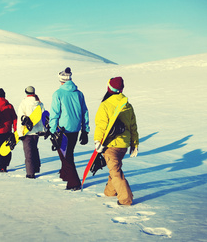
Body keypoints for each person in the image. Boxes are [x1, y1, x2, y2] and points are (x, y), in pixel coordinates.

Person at [94, 77, 139, 205]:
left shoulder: (105, 105)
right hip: (123, 145)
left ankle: (126, 199)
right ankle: (110, 191)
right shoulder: (127, 105)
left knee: (115, 171)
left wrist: (97, 141)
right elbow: (133, 127)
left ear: (109, 88)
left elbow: (101, 125)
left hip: (111, 144)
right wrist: (134, 144)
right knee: (114, 167)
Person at [49, 67, 90, 190]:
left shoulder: (58, 93)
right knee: (68, 153)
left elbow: (55, 113)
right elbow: (84, 112)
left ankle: (74, 182)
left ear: (61, 80)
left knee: (66, 157)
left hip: (63, 129)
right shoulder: (79, 93)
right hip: (76, 129)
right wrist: (85, 130)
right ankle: (65, 174)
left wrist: (51, 129)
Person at [17, 86, 45, 179]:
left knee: (28, 153)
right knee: (34, 149)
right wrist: (43, 130)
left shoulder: (24, 103)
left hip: (27, 132)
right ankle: (36, 168)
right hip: (36, 132)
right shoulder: (39, 103)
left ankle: (30, 173)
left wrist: (20, 133)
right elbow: (43, 117)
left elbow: (21, 118)